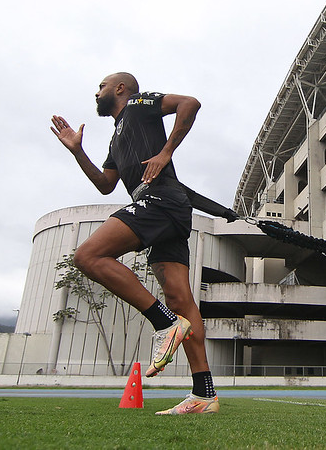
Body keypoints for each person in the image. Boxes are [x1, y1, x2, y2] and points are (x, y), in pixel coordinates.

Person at [51, 72, 219, 415]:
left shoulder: (139, 104)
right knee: (181, 299)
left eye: (101, 86)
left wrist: (165, 152)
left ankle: (164, 323)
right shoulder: (116, 140)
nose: (96, 91)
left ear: (119, 88)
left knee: (87, 255)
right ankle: (204, 395)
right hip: (166, 210)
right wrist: (77, 151)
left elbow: (190, 103)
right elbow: (104, 184)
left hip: (162, 200)